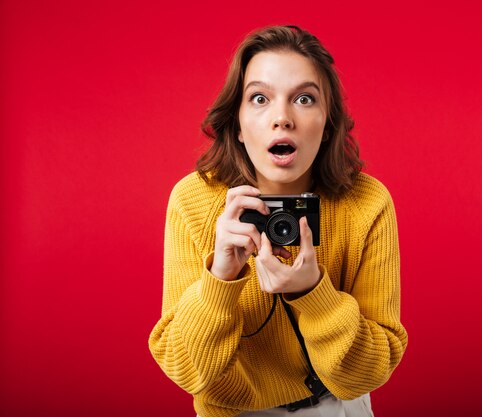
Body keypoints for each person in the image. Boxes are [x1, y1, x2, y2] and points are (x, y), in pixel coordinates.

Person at [149, 25, 408, 417]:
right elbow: (187, 370)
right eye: (259, 98)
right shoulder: (195, 200)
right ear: (237, 125)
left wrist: (315, 295)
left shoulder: (367, 203)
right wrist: (220, 277)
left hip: (337, 404)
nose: (282, 118)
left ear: (327, 124)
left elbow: (366, 375)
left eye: (304, 99)